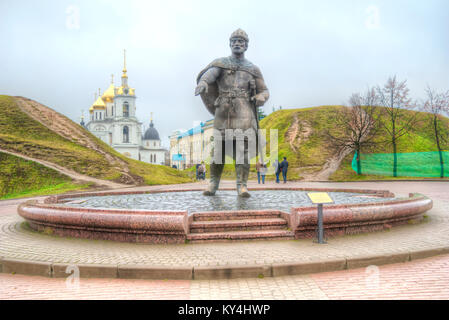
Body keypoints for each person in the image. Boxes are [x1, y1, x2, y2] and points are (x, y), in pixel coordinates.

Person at [195, 29, 269, 197]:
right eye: (234, 41)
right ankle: (213, 183)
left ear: (246, 45)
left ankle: (242, 185)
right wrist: (204, 82)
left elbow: (265, 91)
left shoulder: (253, 69)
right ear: (230, 44)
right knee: (218, 150)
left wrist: (260, 97)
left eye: (241, 41)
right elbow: (210, 74)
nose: (237, 43)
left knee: (242, 150)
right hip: (224, 111)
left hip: (244, 111)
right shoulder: (221, 64)